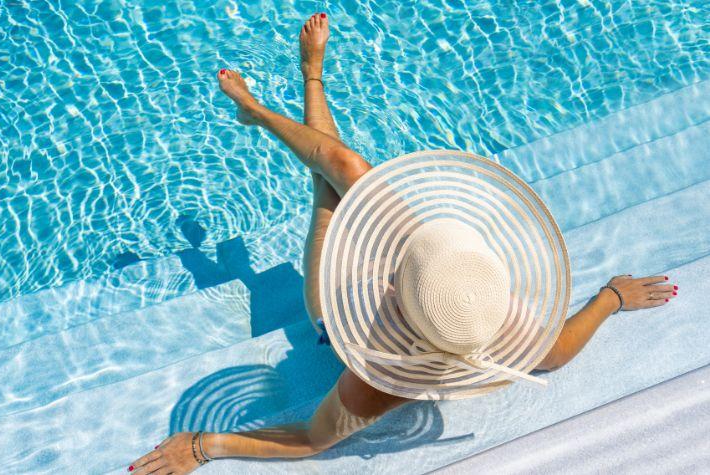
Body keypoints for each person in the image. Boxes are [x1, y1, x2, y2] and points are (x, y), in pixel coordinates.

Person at [128, 13, 678, 474]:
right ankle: (290, 95)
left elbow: (311, 440)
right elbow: (555, 352)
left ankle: (279, 97)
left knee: (326, 190)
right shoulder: (477, 301)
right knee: (344, 166)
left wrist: (202, 448)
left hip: (338, 303)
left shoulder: (383, 381)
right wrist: (609, 298)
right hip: (426, 264)